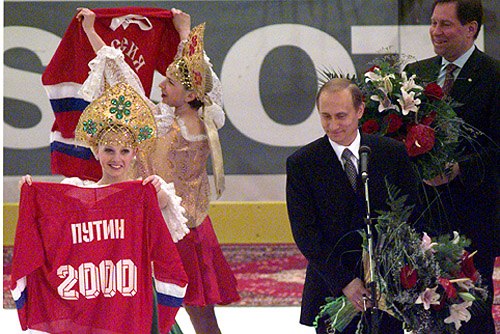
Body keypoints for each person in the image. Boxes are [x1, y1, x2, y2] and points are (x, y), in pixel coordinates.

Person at [76, 8, 240, 334]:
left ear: (192, 94)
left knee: (201, 315)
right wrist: (92, 31)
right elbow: (120, 74)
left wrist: (186, 32)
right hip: (146, 228)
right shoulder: (155, 119)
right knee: (148, 313)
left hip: (187, 230)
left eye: (171, 82)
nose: (161, 84)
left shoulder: (205, 121)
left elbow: (203, 77)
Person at [14, 82, 189, 333]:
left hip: (133, 297)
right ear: (96, 151)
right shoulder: (79, 190)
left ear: (135, 153)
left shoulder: (147, 191)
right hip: (92, 298)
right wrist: (31, 193)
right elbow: (49, 223)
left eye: (124, 151)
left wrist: (154, 195)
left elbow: (163, 221)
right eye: (109, 150)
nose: (116, 159)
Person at [286, 78, 419, 333]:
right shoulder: (303, 163)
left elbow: (412, 212)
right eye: (325, 117)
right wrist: (345, 281)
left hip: (387, 286)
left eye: (341, 116)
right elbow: (305, 232)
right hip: (331, 286)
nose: (333, 125)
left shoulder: (390, 153)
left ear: (359, 111)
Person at [404, 1, 499, 332]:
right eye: (432, 23)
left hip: (474, 212)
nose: (435, 31)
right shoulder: (416, 75)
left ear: (470, 28)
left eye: (445, 24)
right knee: (423, 303)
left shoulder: (494, 76)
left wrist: (459, 168)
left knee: (470, 306)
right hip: (423, 214)